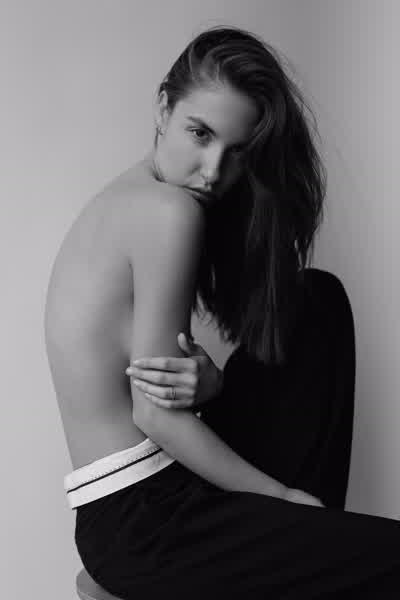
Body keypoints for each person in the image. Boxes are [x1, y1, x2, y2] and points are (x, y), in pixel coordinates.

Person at [44, 25, 400, 599]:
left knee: (316, 302)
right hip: (146, 522)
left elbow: (159, 394)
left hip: (141, 507)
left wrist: (211, 390)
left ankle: (307, 544)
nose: (213, 171)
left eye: (237, 152)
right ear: (164, 108)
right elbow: (156, 416)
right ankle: (308, 536)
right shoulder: (166, 213)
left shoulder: (129, 199)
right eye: (200, 133)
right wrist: (283, 499)